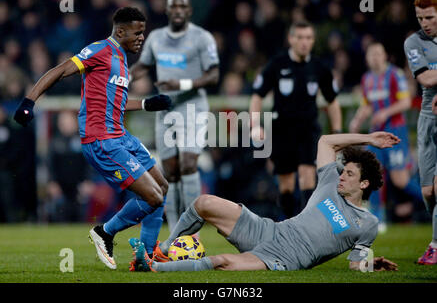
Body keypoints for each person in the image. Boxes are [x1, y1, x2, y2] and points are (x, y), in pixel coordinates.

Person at [13, 7, 172, 269]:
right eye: (138, 32)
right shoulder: (100, 50)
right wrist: (29, 101)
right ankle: (105, 232)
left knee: (162, 187)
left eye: (144, 32)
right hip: (103, 141)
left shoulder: (122, 59)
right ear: (120, 31)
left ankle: (149, 255)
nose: (142, 37)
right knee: (153, 197)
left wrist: (146, 104)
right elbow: (61, 69)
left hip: (121, 136)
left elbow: (115, 104)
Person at [127, 132, 399, 272]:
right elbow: (327, 142)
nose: (342, 176)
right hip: (272, 230)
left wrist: (370, 264)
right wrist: (369, 139)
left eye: (349, 174)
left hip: (287, 257)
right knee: (204, 202)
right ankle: (161, 250)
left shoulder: (368, 223)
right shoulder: (330, 181)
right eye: (344, 171)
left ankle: (152, 267)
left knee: (221, 261)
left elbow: (355, 264)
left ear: (364, 184)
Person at [130, 0, 219, 236]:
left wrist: (183, 84)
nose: (178, 10)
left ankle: (194, 233)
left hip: (193, 108)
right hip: (166, 110)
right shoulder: (157, 38)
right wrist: (124, 76)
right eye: (174, 6)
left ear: (189, 11)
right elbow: (144, 66)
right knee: (169, 172)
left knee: (189, 164)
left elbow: (213, 74)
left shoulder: (202, 37)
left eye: (183, 6)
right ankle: (175, 231)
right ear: (168, 11)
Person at [249, 21, 342, 218]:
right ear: (291, 39)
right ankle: (289, 224)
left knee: (307, 175)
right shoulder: (277, 64)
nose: (304, 42)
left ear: (313, 40)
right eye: (299, 37)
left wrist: (337, 131)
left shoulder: (319, 68)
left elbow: (332, 101)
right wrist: (255, 125)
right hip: (281, 130)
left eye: (308, 38)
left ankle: (306, 226)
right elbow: (257, 96)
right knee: (287, 182)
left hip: (308, 130)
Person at [349, 42, 422, 232]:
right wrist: (357, 119)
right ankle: (377, 219)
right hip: (375, 133)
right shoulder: (367, 79)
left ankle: (430, 200)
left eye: (378, 54)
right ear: (367, 58)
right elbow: (366, 104)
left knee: (400, 180)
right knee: (372, 173)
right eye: (371, 54)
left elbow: (406, 102)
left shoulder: (395, 74)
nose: (374, 57)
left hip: (395, 131)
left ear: (384, 56)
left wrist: (385, 113)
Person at [404, 0, 437, 265]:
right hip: (427, 118)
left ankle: (435, 246)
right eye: (420, 18)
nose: (424, 23)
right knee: (428, 192)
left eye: (429, 17)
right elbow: (426, 78)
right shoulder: (413, 43)